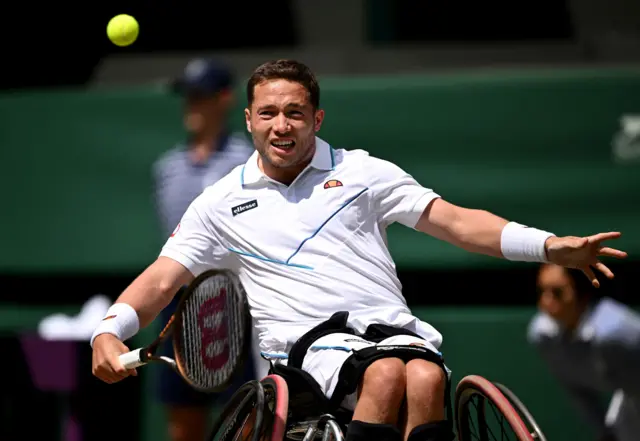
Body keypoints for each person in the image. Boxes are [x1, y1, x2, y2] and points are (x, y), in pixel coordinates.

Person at [91, 59, 627, 441]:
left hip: (390, 330)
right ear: (251, 119)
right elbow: (164, 278)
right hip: (303, 356)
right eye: (270, 113)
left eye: (296, 113)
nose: (283, 125)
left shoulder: (364, 173)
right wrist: (109, 329)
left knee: (424, 377)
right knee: (390, 374)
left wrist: (550, 247)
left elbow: (458, 224)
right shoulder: (219, 203)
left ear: (317, 119)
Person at [152, 57, 267, 441]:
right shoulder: (166, 166)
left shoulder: (247, 163)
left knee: (244, 416)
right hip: (180, 303)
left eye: (200, 96)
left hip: (237, 301)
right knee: (183, 419)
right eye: (187, 97)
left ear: (224, 99)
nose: (191, 105)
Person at [528, 264, 640, 441]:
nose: (545, 301)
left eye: (557, 292)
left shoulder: (614, 334)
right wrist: (604, 432)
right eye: (541, 291)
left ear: (582, 292)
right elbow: (576, 388)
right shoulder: (541, 335)